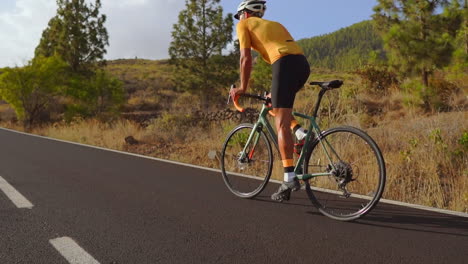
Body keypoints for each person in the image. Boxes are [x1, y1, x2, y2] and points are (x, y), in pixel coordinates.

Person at [230, 0, 311, 202]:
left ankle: (289, 178)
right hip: (302, 65)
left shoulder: (243, 25)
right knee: (273, 103)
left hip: (284, 64)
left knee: (280, 124)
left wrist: (242, 88)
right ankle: (300, 132)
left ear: (245, 14)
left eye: (239, 16)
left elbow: (245, 59)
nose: (238, 20)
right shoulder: (275, 25)